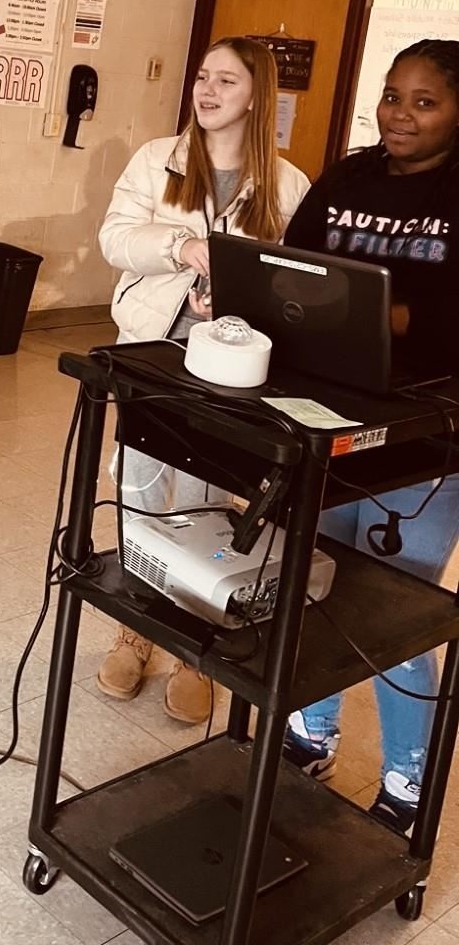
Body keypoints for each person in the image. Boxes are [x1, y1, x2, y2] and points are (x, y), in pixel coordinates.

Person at [96, 36, 310, 723]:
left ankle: (199, 652)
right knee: (142, 488)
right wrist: (181, 249)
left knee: (219, 505)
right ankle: (134, 630)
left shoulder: (287, 182)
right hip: (156, 350)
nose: (207, 90)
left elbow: (294, 282)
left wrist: (239, 297)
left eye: (226, 80)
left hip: (237, 369)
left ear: (256, 95)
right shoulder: (155, 159)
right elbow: (114, 238)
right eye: (202, 77)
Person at [280, 37, 459, 834]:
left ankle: (406, 780)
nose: (400, 114)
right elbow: (288, 267)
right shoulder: (346, 175)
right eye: (392, 96)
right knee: (316, 587)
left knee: (391, 615)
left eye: (424, 101)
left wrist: (395, 316)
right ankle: (311, 730)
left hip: (427, 443)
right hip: (328, 421)